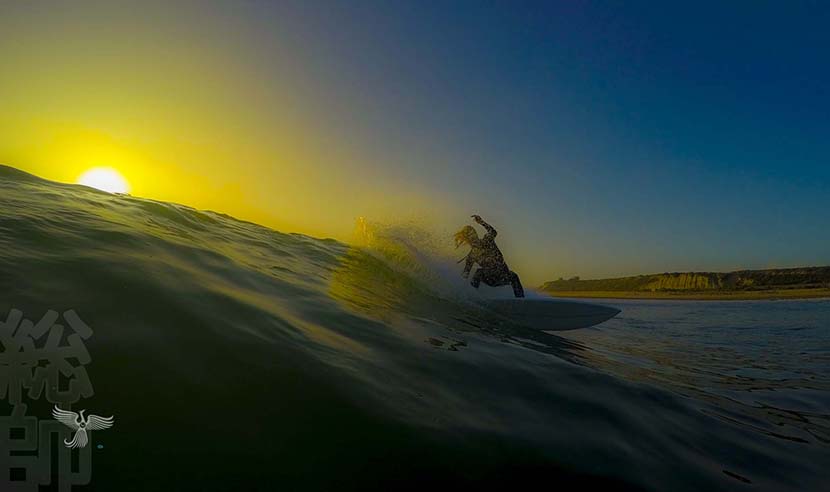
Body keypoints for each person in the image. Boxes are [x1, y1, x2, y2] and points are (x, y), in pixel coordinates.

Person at [455, 215, 524, 298]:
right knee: (478, 272)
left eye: (473, 235)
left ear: (476, 235)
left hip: (503, 275)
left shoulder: (487, 240)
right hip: (490, 279)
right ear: (468, 240)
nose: (472, 238)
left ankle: (521, 300)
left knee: (513, 276)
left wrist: (481, 222)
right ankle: (473, 296)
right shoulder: (471, 256)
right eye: (469, 237)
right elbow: (465, 275)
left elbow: (493, 232)